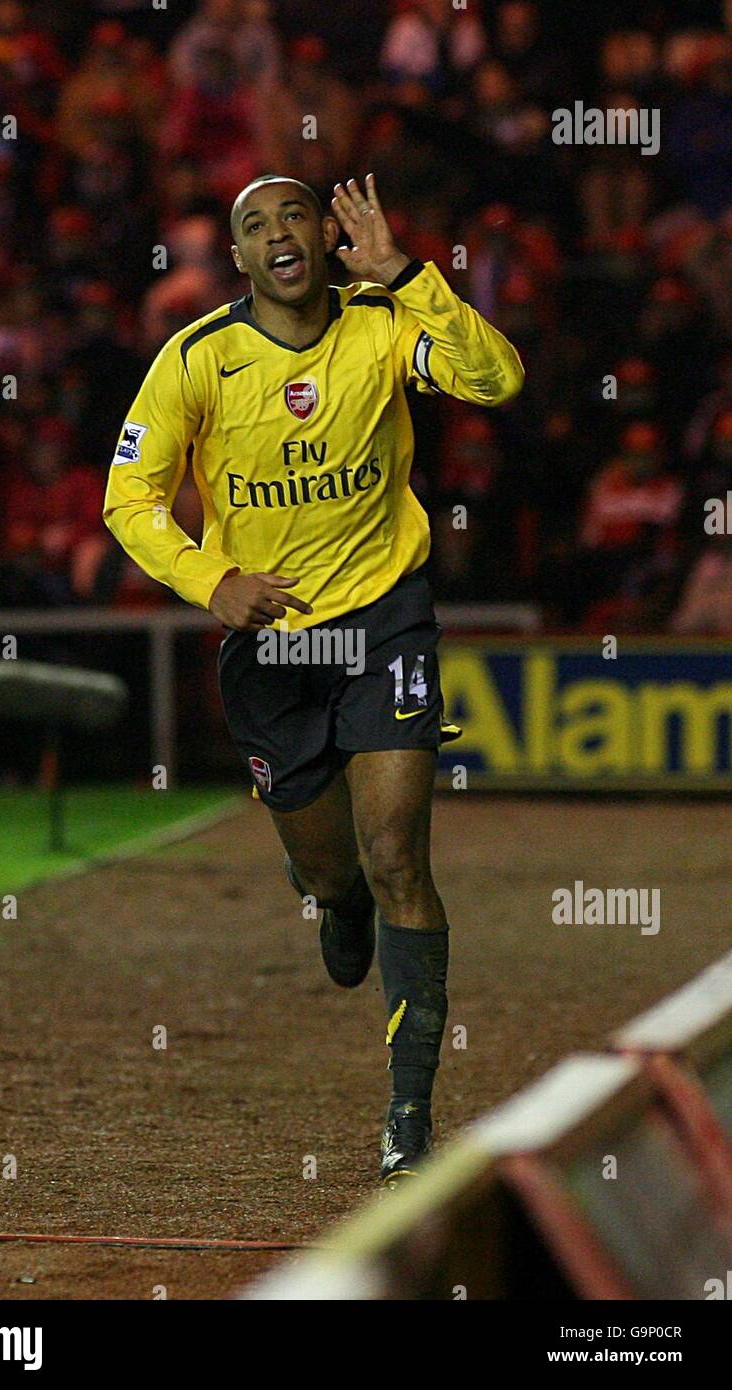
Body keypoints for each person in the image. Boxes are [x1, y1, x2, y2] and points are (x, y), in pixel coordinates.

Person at [103, 173, 524, 1185]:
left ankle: (408, 1117)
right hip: (274, 643)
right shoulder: (195, 360)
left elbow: (496, 381)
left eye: (293, 212)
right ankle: (329, 898)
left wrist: (412, 277)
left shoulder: (383, 323)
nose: (277, 232)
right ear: (239, 261)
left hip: (385, 621)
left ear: (325, 234)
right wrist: (214, 579)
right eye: (254, 225)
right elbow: (130, 498)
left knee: (396, 860)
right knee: (339, 875)